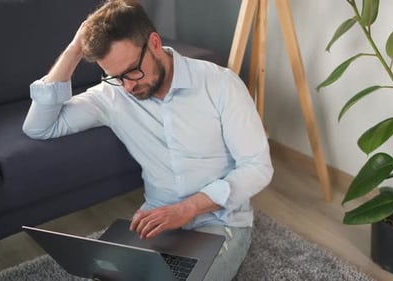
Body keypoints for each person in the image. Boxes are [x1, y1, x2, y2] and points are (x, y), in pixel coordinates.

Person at [22, 0, 273, 280]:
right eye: (116, 76)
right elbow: (39, 127)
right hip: (157, 221)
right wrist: (73, 50)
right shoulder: (113, 95)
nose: (128, 86)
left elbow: (258, 167)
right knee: (105, 275)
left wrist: (188, 208)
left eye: (132, 71)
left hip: (220, 222)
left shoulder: (221, 85)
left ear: (154, 43)